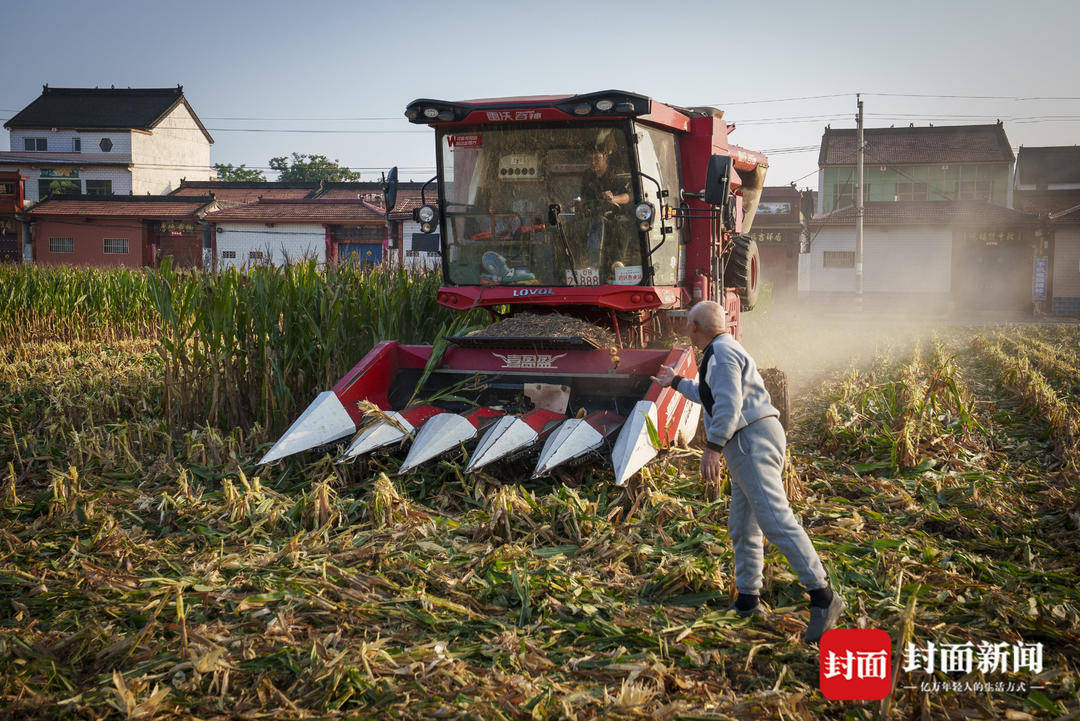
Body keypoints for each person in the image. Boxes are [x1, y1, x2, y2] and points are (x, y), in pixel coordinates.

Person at [651, 300, 845, 644]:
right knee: (743, 526)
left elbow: (728, 404)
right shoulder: (721, 350)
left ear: (697, 327)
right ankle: (747, 601)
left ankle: (823, 597)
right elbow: (711, 396)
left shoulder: (722, 355)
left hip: (750, 439)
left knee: (775, 519)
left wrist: (711, 449)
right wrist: (676, 382)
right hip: (745, 441)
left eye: (688, 324)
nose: (685, 329)